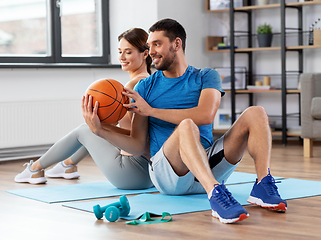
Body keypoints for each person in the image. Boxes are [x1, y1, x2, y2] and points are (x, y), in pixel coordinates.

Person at [83, 18, 287, 224]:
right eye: (149, 45)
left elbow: (205, 115)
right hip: (169, 175)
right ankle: (215, 193)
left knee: (256, 112)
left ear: (177, 44)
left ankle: (263, 184)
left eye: (157, 44)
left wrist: (151, 110)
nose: (151, 51)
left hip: (206, 165)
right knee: (187, 126)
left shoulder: (206, 76)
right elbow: (136, 145)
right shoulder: (145, 87)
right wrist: (100, 130)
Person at [15, 28, 154, 190]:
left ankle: (35, 169)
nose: (122, 57)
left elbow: (135, 138)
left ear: (145, 54)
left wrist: (97, 126)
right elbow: (137, 133)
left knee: (85, 130)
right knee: (94, 129)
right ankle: (68, 165)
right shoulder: (149, 81)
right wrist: (100, 125)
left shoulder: (133, 86)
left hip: (131, 174)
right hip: (149, 174)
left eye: (128, 52)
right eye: (120, 51)